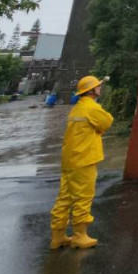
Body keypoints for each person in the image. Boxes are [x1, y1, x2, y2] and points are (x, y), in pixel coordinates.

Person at [49, 75, 113, 249]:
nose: (100, 88)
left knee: (64, 198)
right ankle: (80, 236)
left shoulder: (76, 109)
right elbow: (107, 122)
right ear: (92, 91)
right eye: (98, 86)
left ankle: (58, 236)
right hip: (84, 159)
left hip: (69, 160)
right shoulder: (92, 108)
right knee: (83, 197)